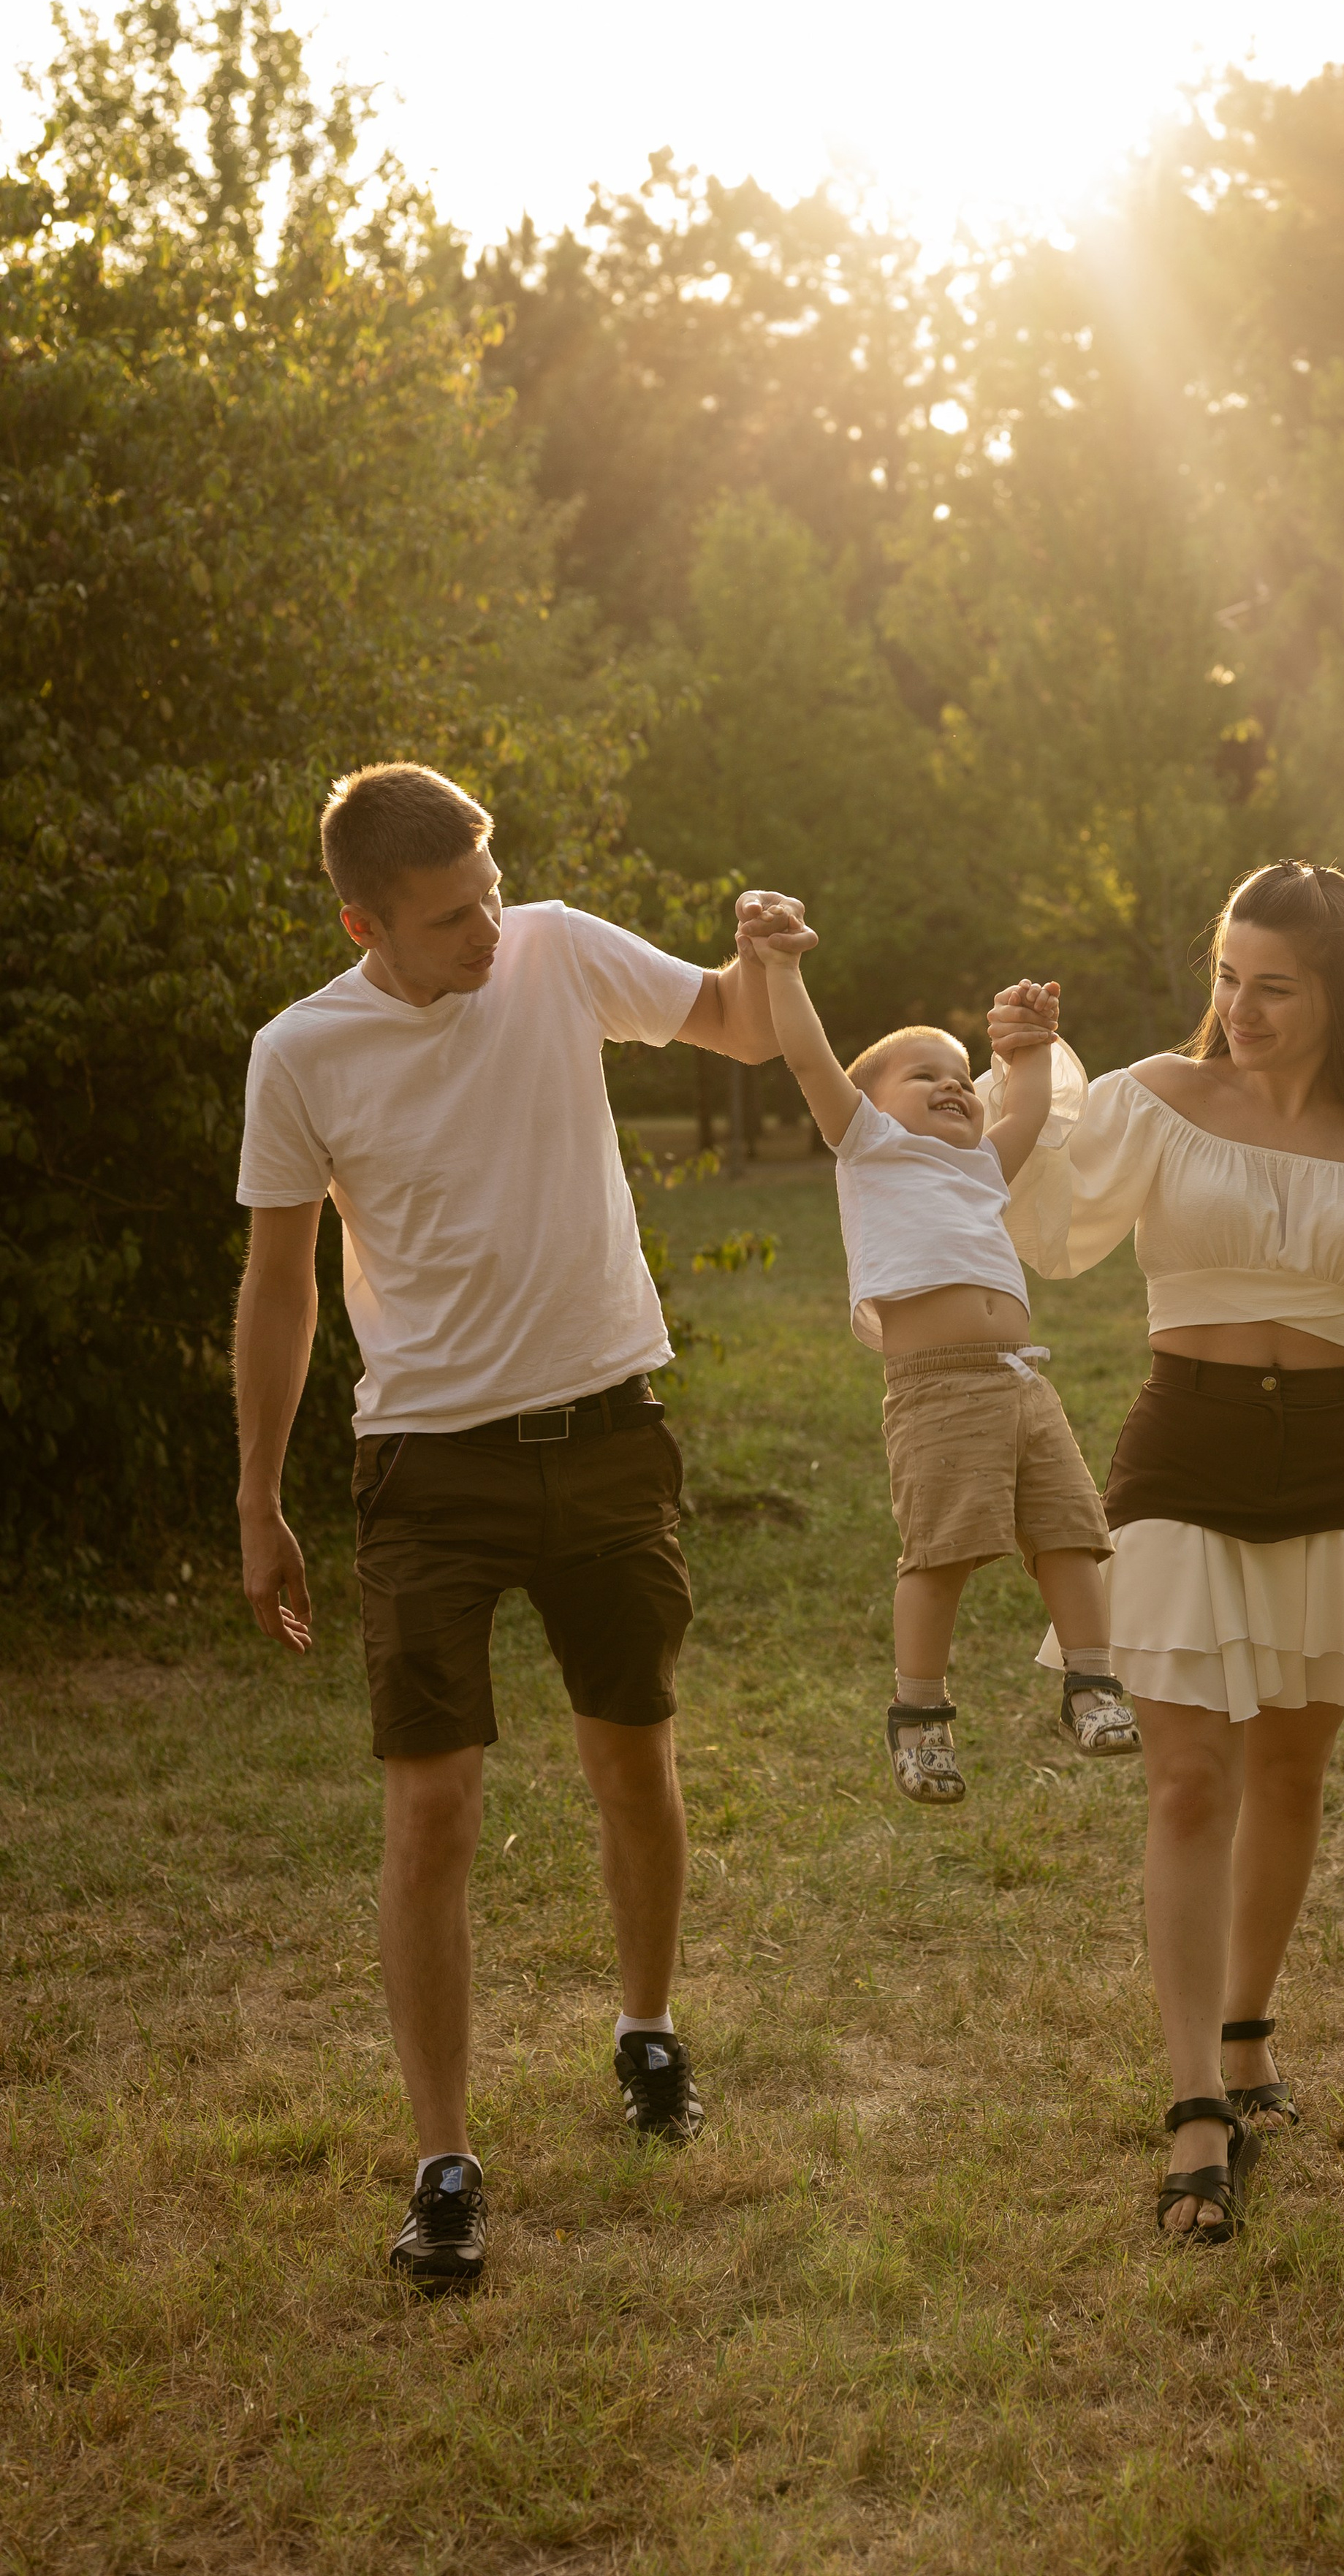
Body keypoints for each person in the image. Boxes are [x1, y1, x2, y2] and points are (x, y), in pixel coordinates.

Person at [234, 760, 810, 2290]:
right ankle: (443, 2158)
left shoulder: (553, 945)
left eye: (487, 896)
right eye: (445, 921)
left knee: (633, 1750)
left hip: (608, 1432)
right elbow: (282, 1285)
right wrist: (257, 1491)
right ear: (366, 920)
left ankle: (646, 2031)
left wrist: (759, 950)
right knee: (431, 1808)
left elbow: (739, 1030)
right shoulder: (300, 1053)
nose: (483, 933)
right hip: (426, 1466)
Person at [986, 862, 1344, 2244]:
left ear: (1338, 991)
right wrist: (1018, 1076)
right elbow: (1047, 1227)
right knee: (1187, 1779)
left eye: (1274, 985)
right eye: (1227, 974)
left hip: (1336, 1458)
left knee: (1292, 1772)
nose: (1238, 1005)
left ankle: (1246, 2035)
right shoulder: (1156, 1100)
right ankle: (1193, 2108)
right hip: (1184, 1452)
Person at [748, 924, 1139, 1804]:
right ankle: (919, 1715)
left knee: (1072, 1531)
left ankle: (1091, 1683)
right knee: (941, 1553)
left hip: (1022, 1379)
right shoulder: (871, 1148)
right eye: (924, 1074)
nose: (954, 1084)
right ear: (871, 1106)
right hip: (938, 1391)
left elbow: (1029, 1109)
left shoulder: (979, 1167)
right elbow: (810, 1059)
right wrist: (780, 966)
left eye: (963, 1074)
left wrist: (1028, 1043)